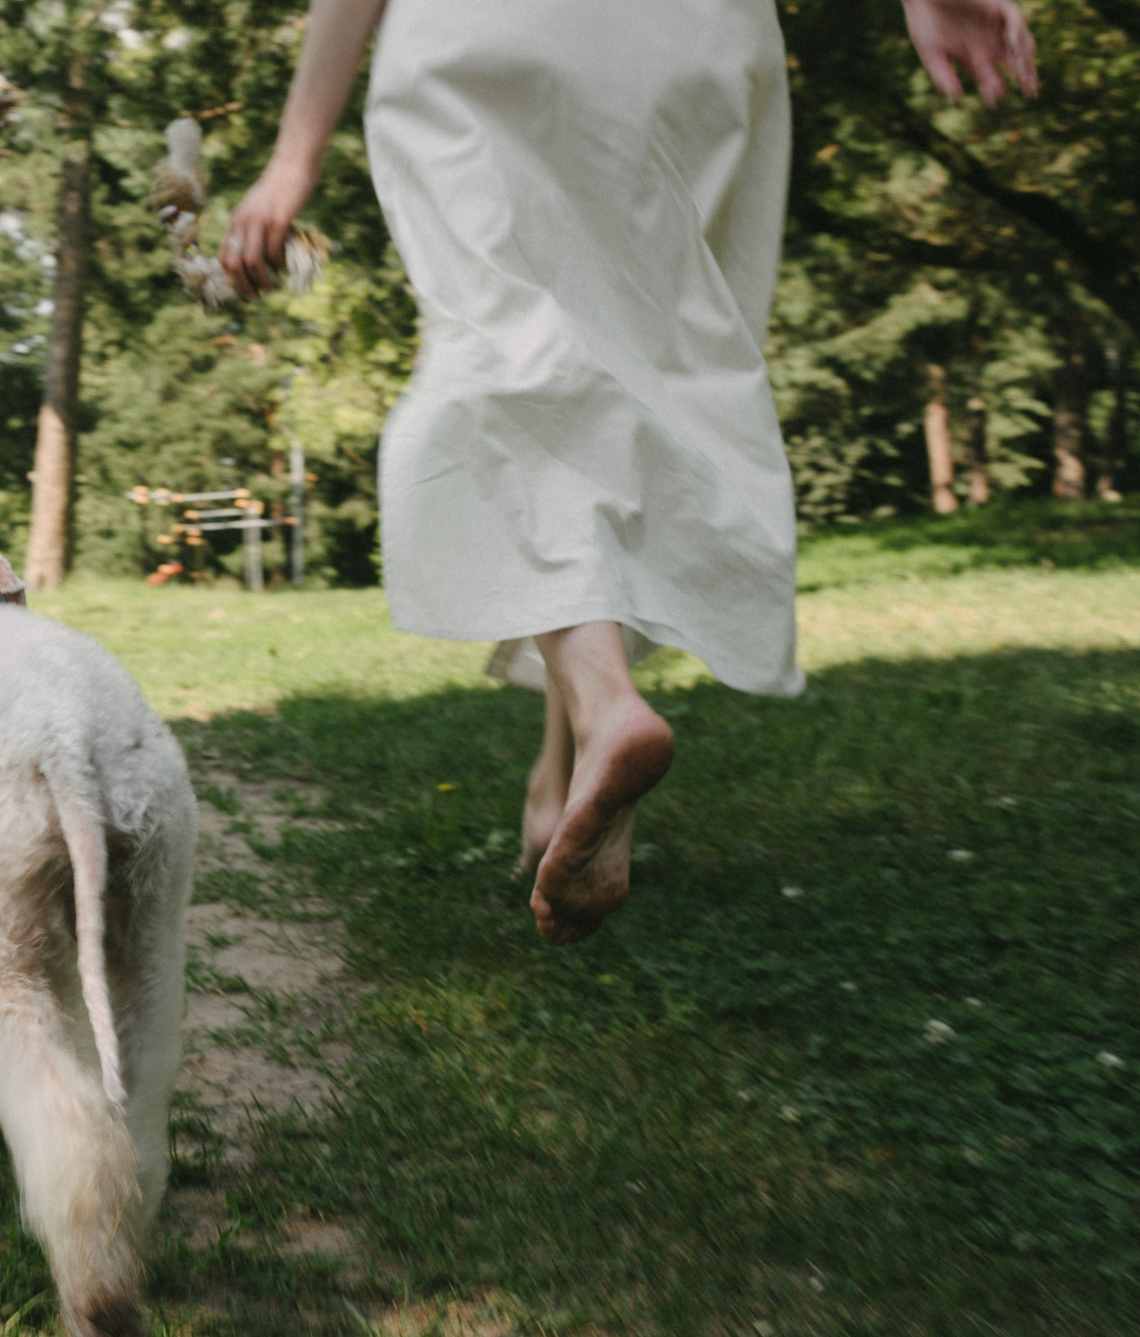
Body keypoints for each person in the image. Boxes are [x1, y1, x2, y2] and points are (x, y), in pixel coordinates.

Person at [220, 0, 1037, 943]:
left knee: (506, 353)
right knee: (633, 381)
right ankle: (558, 783)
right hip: (691, 45)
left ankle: (606, 708)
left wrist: (294, 155)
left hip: (490, 34)